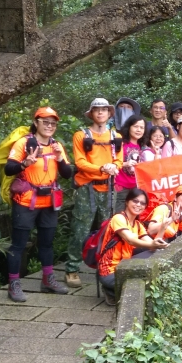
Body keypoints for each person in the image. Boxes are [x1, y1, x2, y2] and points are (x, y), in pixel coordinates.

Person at [3, 107, 74, 302]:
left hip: (49, 201)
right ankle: (14, 284)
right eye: (45, 122)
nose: (50, 126)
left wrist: (60, 158)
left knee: (47, 243)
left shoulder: (56, 145)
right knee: (18, 245)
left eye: (53, 123)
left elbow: (68, 174)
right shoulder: (24, 143)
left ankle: (48, 280)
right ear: (36, 123)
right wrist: (25, 163)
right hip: (25, 201)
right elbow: (9, 168)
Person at [65, 98, 122, 289]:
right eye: (96, 110)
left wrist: (113, 167)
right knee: (80, 229)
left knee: (107, 230)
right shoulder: (81, 136)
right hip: (87, 188)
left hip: (109, 188)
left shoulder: (116, 136)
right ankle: (72, 269)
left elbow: (119, 161)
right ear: (91, 113)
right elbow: (80, 162)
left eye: (104, 110)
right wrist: (103, 168)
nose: (100, 113)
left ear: (109, 113)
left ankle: (105, 267)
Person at [96, 188, 168, 305]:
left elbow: (153, 246)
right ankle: (111, 290)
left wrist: (163, 227)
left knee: (155, 254)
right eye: (135, 201)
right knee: (145, 281)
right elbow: (131, 240)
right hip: (109, 272)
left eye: (143, 203)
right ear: (127, 202)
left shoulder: (138, 225)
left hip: (124, 266)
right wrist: (153, 244)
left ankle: (116, 291)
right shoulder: (118, 218)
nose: (139, 205)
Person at [115, 114, 146, 192]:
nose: (139, 130)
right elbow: (111, 163)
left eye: (142, 127)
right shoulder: (121, 143)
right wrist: (126, 163)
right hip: (120, 186)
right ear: (129, 127)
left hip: (136, 187)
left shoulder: (142, 146)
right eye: (135, 126)